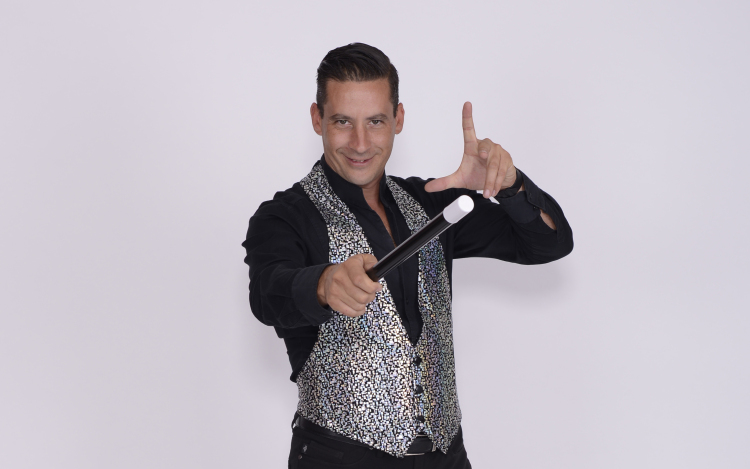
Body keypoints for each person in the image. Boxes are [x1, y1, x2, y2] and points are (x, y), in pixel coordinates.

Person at [243, 42, 573, 469]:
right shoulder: (284, 216)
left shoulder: (433, 203)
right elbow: (267, 295)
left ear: (398, 120)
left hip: (446, 456)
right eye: (342, 121)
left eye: (376, 121)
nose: (360, 142)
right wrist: (323, 285)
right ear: (317, 118)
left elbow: (549, 243)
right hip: (339, 459)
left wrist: (510, 185)